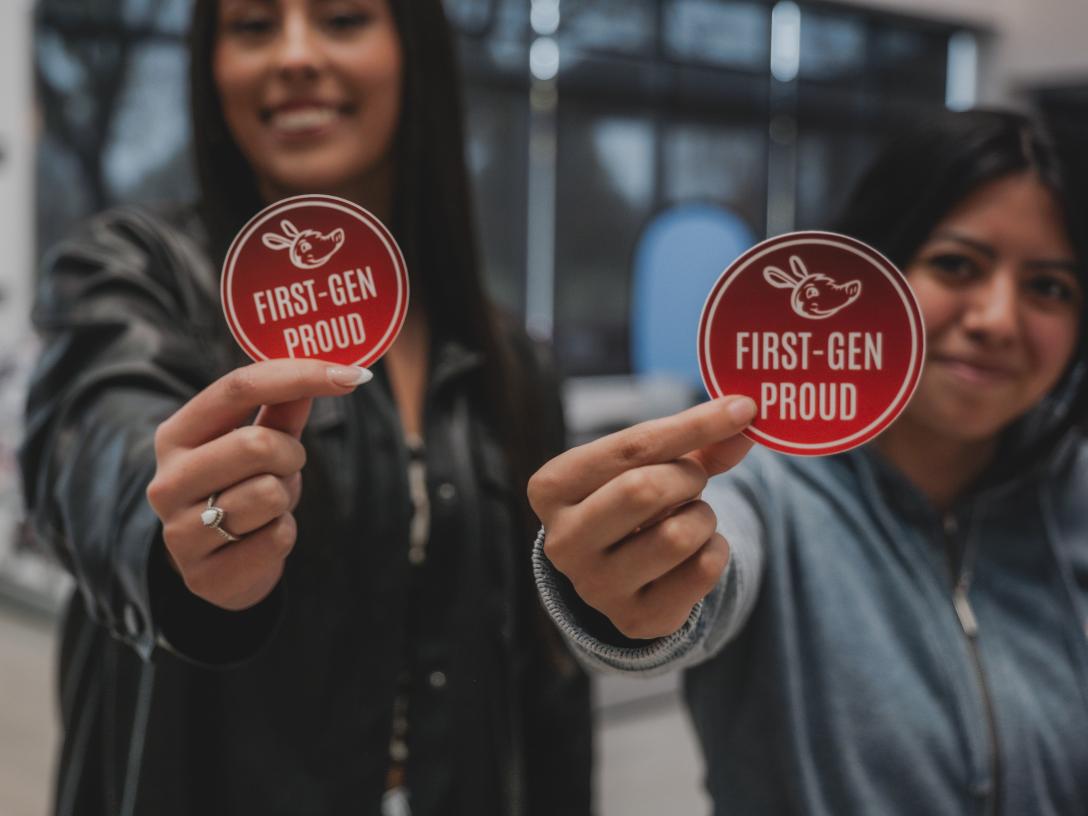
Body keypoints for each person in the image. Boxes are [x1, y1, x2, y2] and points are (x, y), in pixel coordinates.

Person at [20, 1, 591, 814]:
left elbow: (546, 685)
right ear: (210, 67)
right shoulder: (134, 273)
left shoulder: (508, 359)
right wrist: (174, 533)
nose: (293, 54)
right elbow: (96, 440)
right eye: (253, 26)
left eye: (343, 19)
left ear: (412, 52)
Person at [530, 109, 1088, 814]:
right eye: (956, 265)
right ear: (877, 267)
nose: (997, 319)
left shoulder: (1073, 495)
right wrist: (621, 585)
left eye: (1050, 287)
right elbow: (706, 580)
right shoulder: (761, 485)